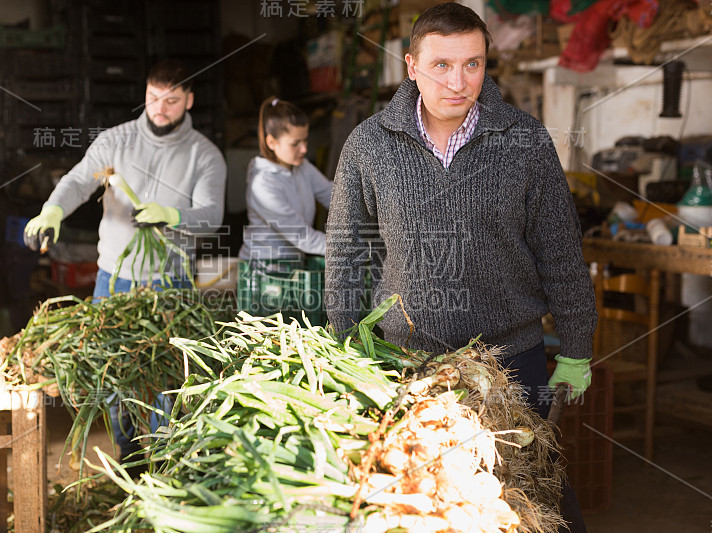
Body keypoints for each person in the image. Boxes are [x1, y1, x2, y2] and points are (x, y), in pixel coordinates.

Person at [324, 4, 595, 532]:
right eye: (442, 65)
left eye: (472, 64)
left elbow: (561, 251)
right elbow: (346, 253)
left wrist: (578, 346)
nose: (458, 80)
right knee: (422, 509)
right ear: (411, 65)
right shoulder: (369, 145)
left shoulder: (525, 141)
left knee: (532, 502)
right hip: (405, 366)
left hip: (513, 363)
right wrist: (344, 345)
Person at [23, 58, 227, 464]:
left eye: (171, 100)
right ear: (145, 95)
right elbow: (79, 180)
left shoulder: (205, 155)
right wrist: (52, 211)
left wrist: (175, 216)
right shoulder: (116, 141)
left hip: (170, 285)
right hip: (114, 279)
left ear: (189, 100)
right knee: (114, 379)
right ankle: (130, 459)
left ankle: (166, 463)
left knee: (166, 380)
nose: (160, 108)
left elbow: (212, 215)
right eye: (154, 98)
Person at [238, 96, 333, 262]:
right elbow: (300, 235)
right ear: (272, 142)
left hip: (293, 266)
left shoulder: (303, 167)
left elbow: (333, 196)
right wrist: (348, 249)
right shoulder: (263, 184)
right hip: (264, 271)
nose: (304, 149)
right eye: (295, 143)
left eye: (305, 140)